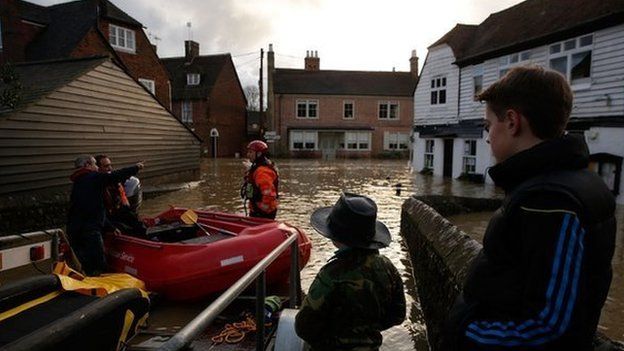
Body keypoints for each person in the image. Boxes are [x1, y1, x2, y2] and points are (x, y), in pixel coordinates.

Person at [446, 66, 616, 350]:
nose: (487, 137)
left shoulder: (551, 202)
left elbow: (551, 330)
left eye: (488, 126)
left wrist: (465, 333)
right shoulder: (562, 183)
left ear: (512, 121)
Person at [296, 192, 406, 350]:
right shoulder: (388, 267)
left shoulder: (331, 274)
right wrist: (365, 331)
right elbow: (398, 315)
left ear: (336, 237)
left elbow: (303, 327)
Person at [67, 155, 144, 276]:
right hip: (89, 230)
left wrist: (111, 227)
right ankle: (100, 287)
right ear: (87, 164)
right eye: (95, 165)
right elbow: (115, 176)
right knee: (98, 266)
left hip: (76, 230)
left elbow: (94, 210)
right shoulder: (92, 178)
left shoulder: (79, 182)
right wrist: (136, 167)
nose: (97, 167)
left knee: (84, 263)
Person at [95, 155, 146, 235]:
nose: (110, 168)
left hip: (116, 213)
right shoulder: (96, 185)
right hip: (106, 219)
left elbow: (122, 174)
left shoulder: (113, 181)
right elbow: (98, 213)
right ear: (98, 168)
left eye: (110, 165)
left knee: (138, 224)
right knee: (126, 229)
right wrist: (111, 227)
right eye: (106, 166)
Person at [241, 140, 279, 219]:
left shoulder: (262, 171)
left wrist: (262, 208)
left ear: (259, 154)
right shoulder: (256, 168)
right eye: (248, 152)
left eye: (251, 152)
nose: (248, 155)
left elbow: (268, 193)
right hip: (256, 209)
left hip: (263, 212)